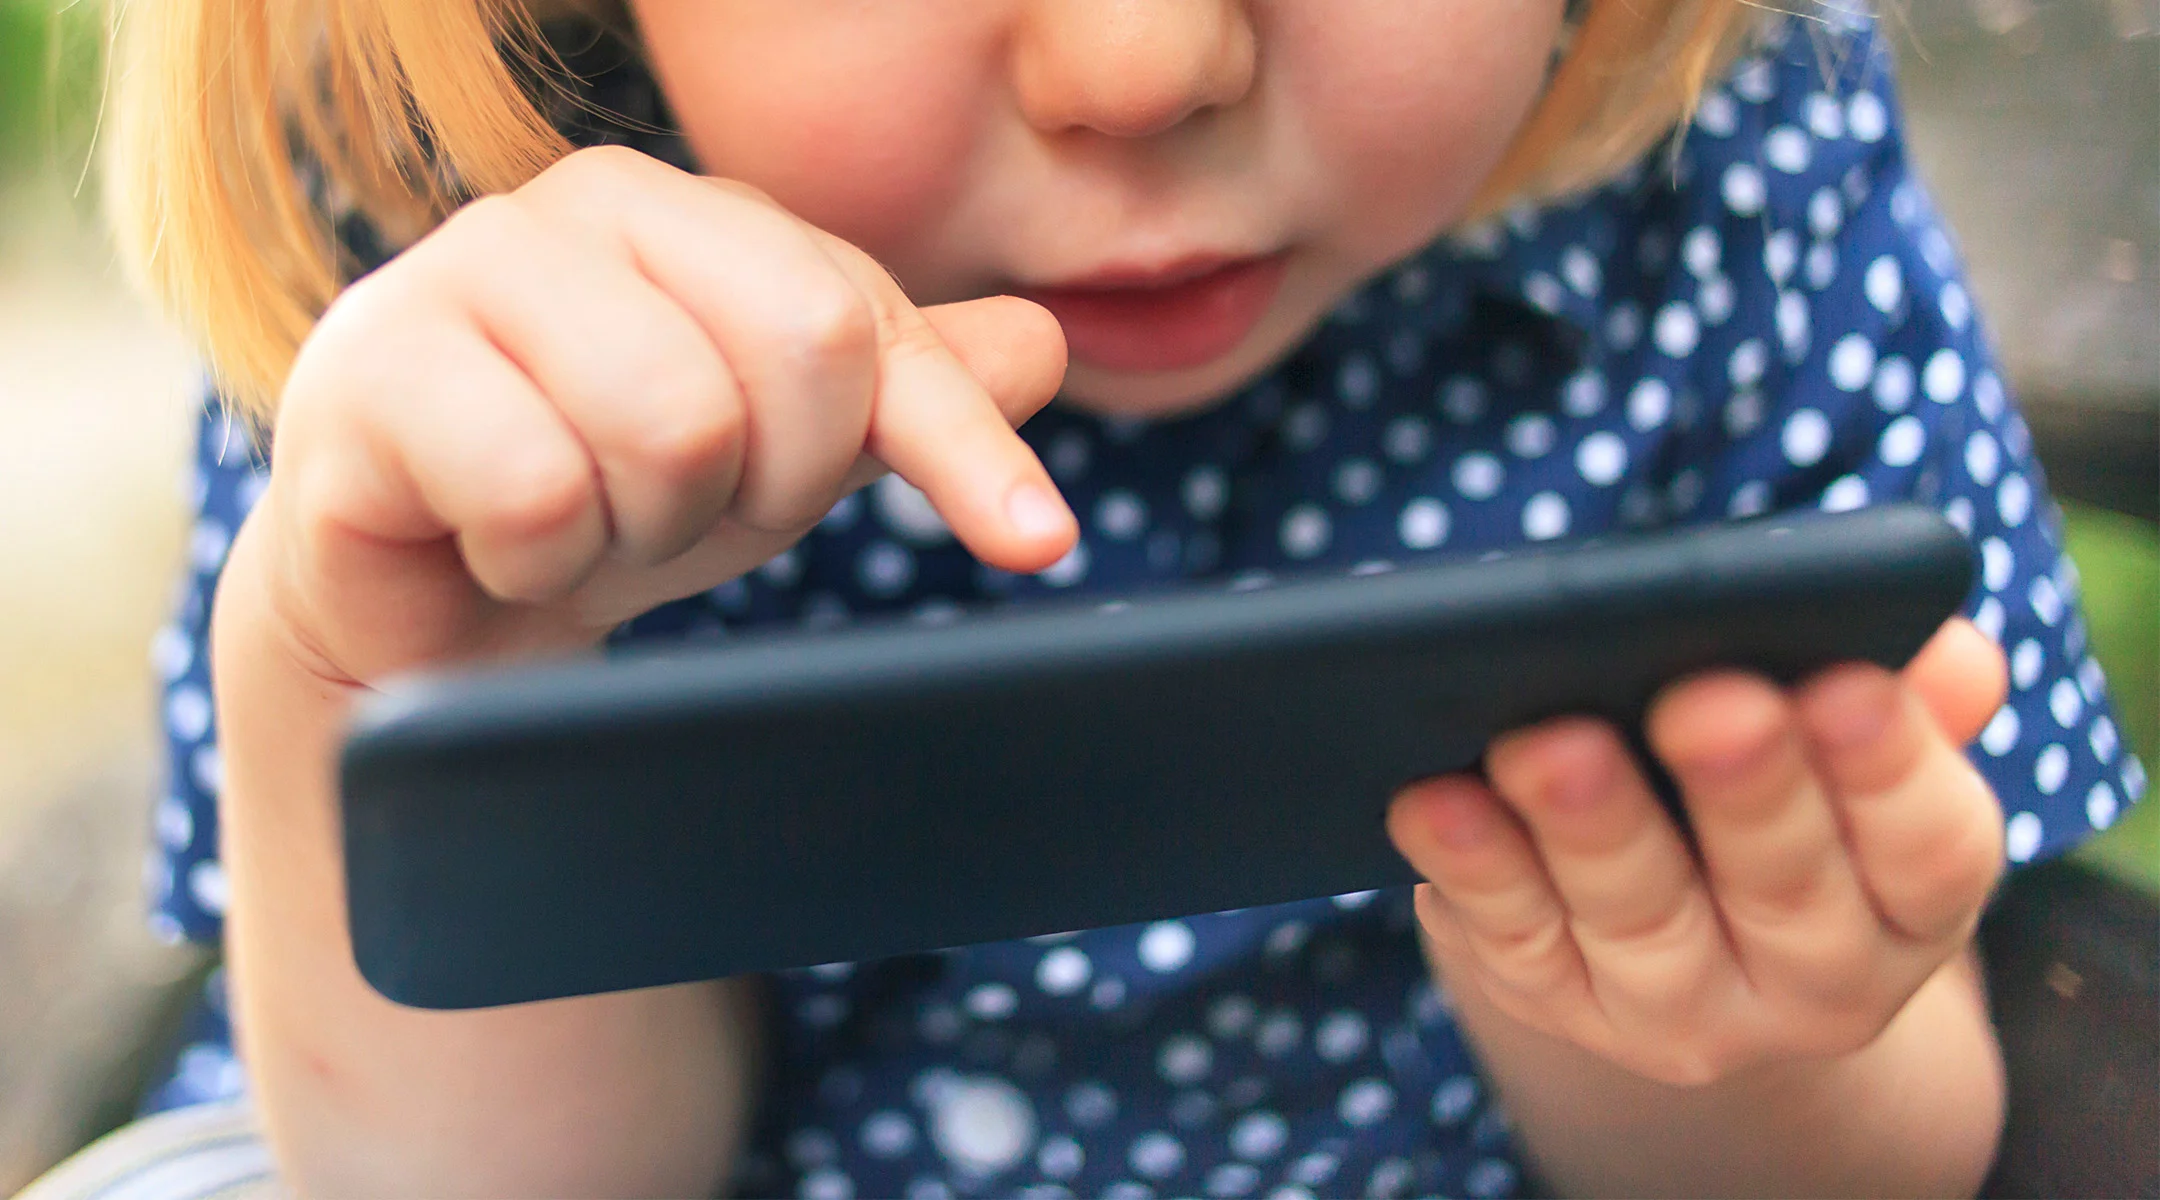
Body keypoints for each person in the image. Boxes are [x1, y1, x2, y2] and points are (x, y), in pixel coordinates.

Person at [46, 0, 2142, 1196]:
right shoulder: (458, 284)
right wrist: (408, 665)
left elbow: (1916, 1138)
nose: (1144, 62)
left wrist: (1711, 1031)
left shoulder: (1728, 172)